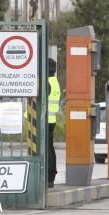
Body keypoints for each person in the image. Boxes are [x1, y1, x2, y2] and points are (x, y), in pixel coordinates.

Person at [47, 58, 62, 188]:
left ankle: (48, 176)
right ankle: (51, 175)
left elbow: (38, 103)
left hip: (43, 121)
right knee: (50, 149)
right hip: (51, 120)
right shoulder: (54, 81)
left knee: (46, 150)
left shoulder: (47, 82)